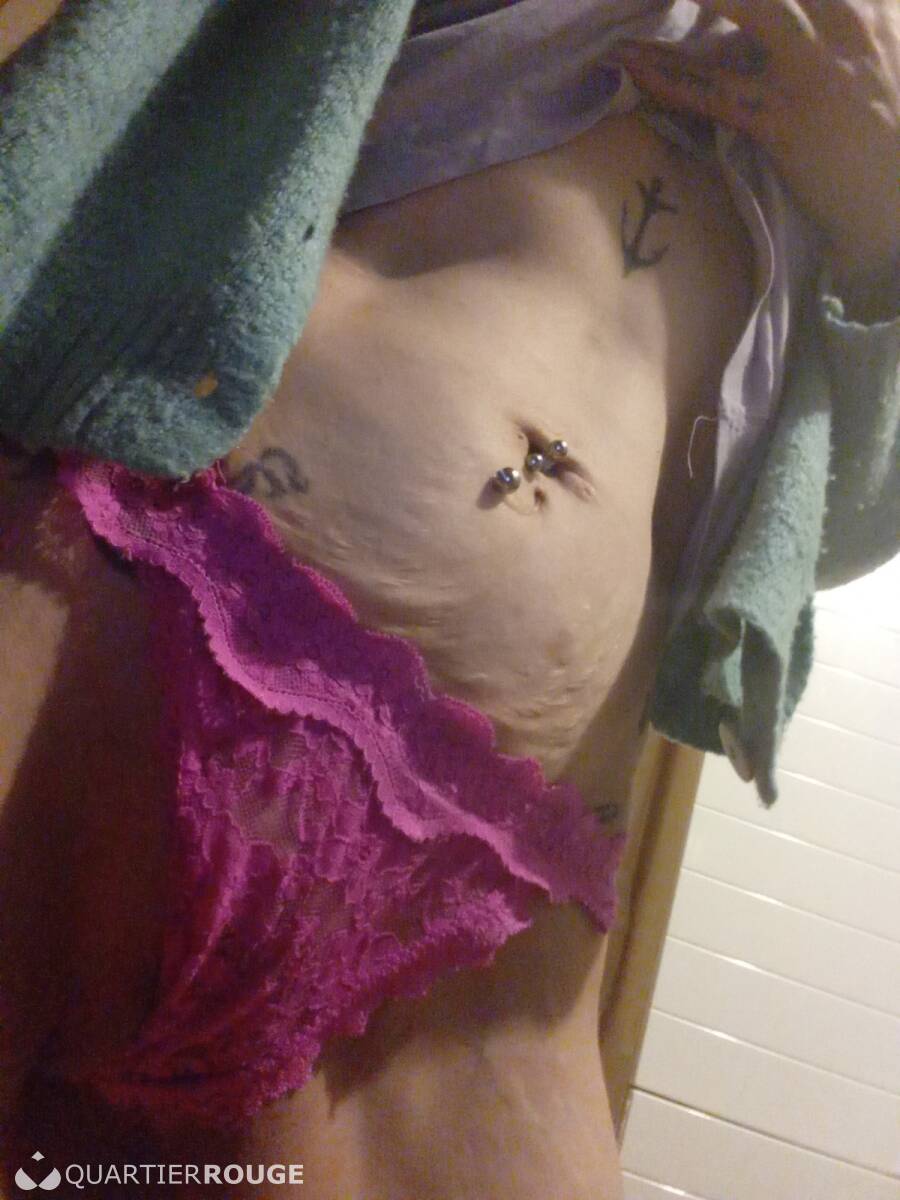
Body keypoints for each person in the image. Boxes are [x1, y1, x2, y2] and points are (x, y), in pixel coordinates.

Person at [1, 2, 897, 1197]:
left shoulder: (867, 107)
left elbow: (836, 529)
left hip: (476, 920)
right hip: (134, 582)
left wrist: (884, 218)